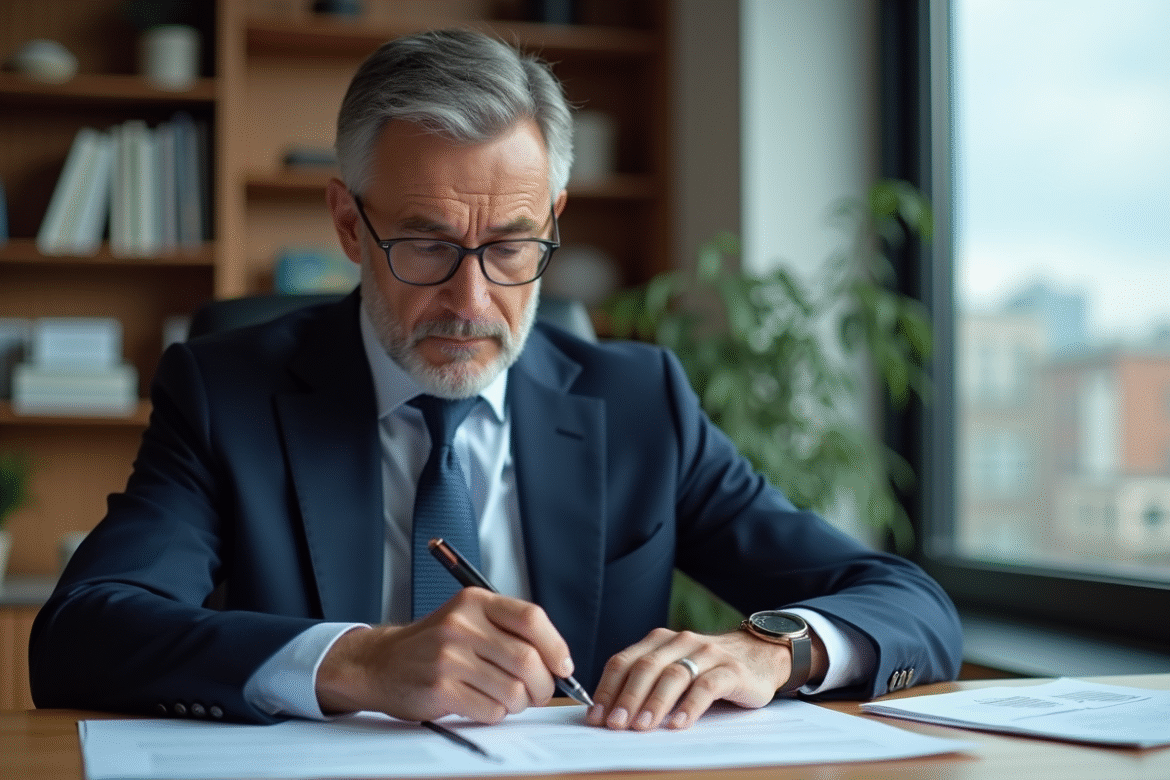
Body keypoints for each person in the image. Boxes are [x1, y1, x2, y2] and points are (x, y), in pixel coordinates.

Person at [29, 29, 961, 731]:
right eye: (428, 244)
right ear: (350, 227)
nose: (471, 300)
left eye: (513, 246)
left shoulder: (642, 403)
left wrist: (775, 648)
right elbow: (85, 632)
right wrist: (357, 662)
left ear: (553, 219)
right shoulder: (223, 391)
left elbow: (910, 606)